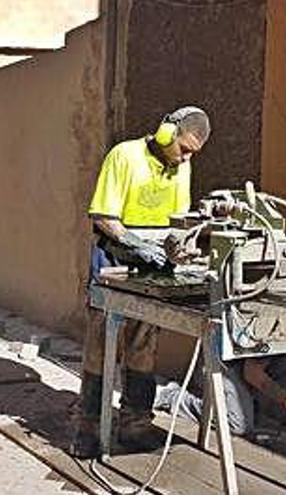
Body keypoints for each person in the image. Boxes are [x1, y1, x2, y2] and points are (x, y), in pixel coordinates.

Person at [72, 106, 211, 458]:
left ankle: (135, 424)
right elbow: (103, 216)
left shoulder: (183, 166)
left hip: (154, 265)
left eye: (193, 153)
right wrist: (137, 244)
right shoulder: (125, 156)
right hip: (114, 259)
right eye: (183, 148)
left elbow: (179, 222)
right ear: (167, 133)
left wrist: (183, 250)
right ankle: (88, 427)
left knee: (143, 345)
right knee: (102, 346)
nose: (185, 158)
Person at [155, 353, 286, 436]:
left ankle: (250, 402)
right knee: (237, 424)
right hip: (220, 366)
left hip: (248, 369)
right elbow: (252, 373)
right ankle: (171, 395)